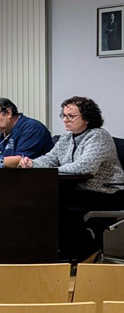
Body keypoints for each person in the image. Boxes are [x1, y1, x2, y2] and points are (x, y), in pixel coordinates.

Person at [19, 96, 124, 261]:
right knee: (41, 202)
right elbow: (49, 159)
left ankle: (87, 250)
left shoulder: (98, 136)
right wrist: (32, 164)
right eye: (63, 115)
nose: (65, 120)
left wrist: (48, 171)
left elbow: (85, 167)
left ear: (87, 118)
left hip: (107, 192)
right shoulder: (66, 137)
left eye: (71, 116)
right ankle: (66, 253)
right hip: (79, 190)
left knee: (57, 206)